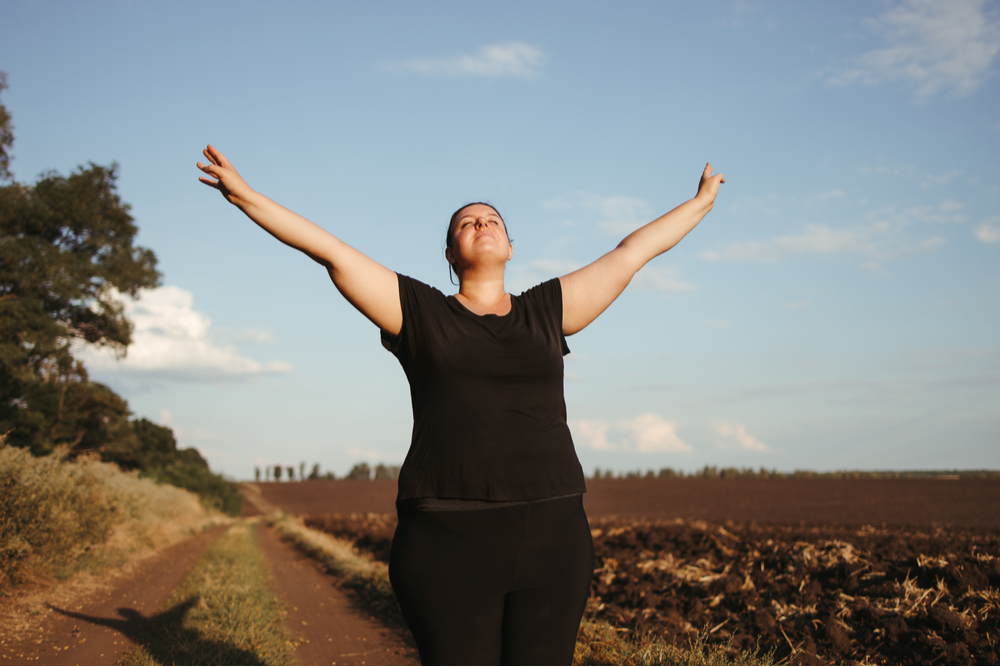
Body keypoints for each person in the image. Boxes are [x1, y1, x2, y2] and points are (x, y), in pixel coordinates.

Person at [196, 145, 724, 665]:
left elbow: (631, 252)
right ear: (450, 254)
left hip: (554, 533)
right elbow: (331, 251)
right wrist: (247, 198)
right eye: (466, 222)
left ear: (511, 247)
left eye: (492, 219)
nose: (481, 223)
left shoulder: (546, 310)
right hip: (445, 537)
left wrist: (699, 204)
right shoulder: (420, 312)